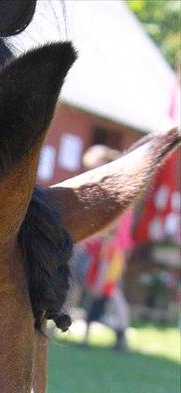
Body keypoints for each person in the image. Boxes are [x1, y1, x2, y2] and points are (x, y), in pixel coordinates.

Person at [80, 146, 135, 350]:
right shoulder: (115, 185)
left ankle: (121, 333)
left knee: (109, 291)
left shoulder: (116, 189)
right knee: (106, 290)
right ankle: (116, 332)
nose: (92, 172)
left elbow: (114, 228)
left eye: (94, 167)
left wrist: (106, 249)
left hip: (111, 251)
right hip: (108, 249)